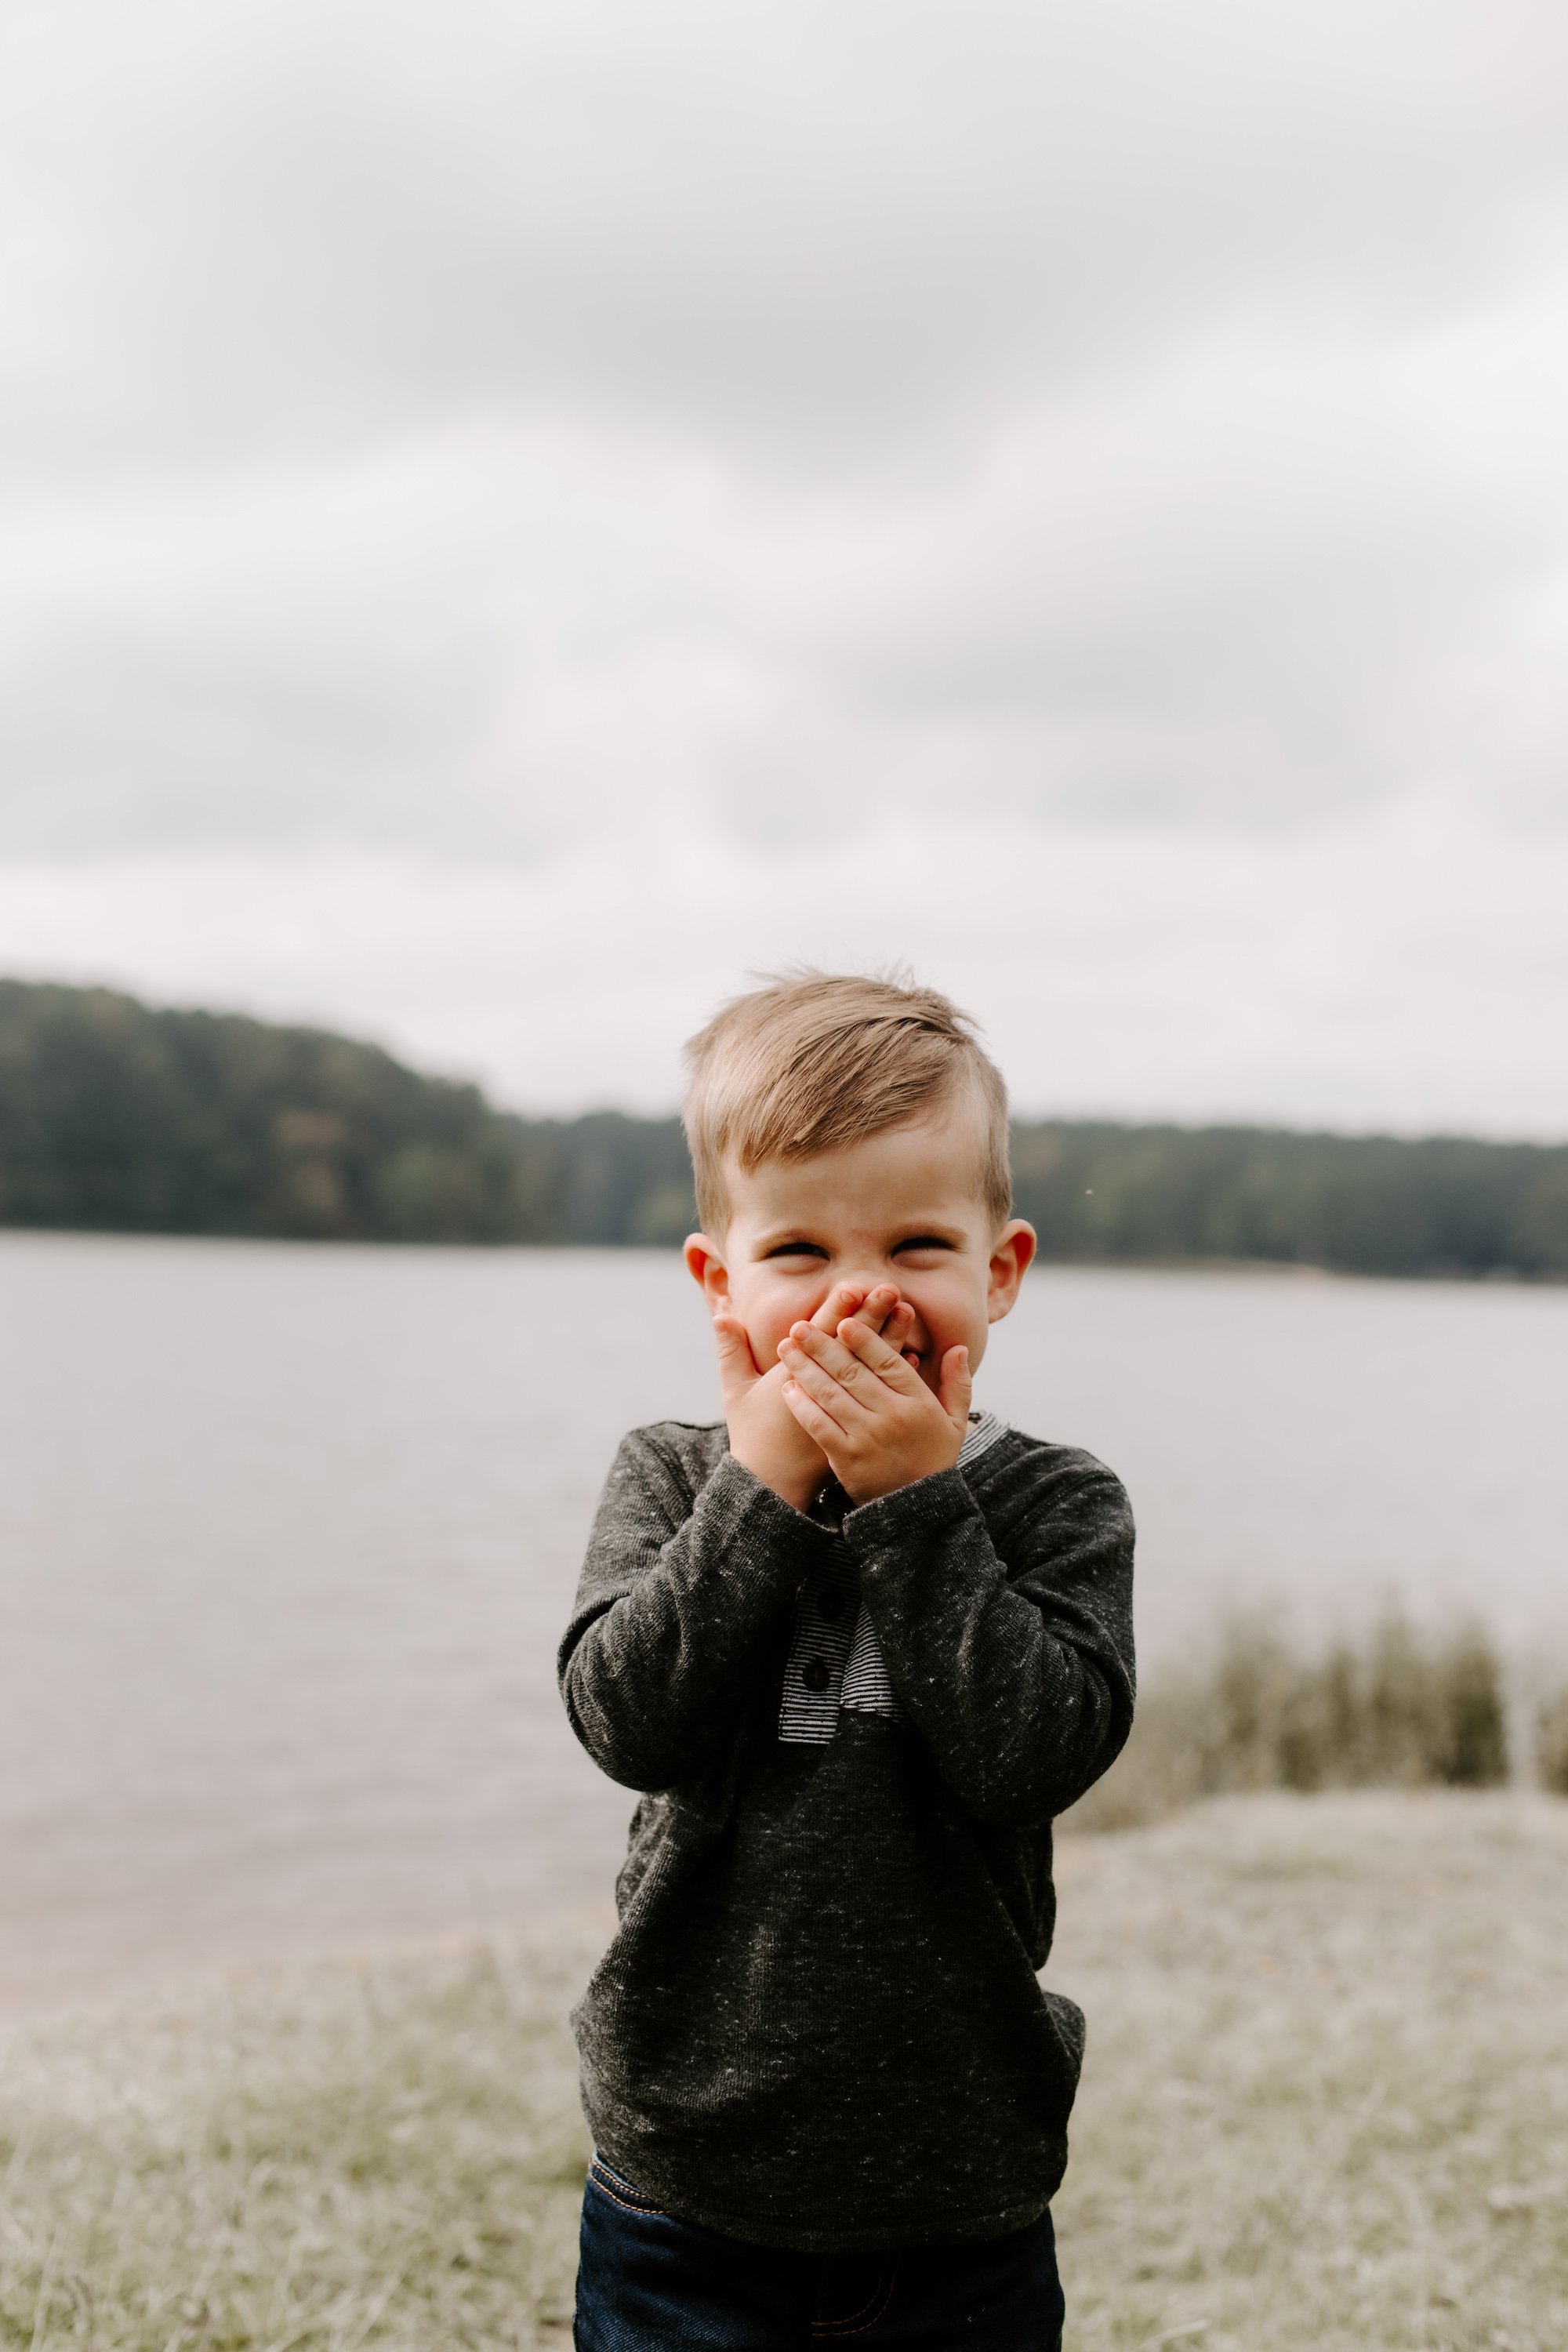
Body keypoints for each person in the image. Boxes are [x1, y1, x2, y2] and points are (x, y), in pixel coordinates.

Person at [558, 971, 1135, 2350]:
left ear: (1000, 1271)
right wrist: (759, 1482)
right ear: (722, 1282)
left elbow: (1035, 1754)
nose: (862, 1297)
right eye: (801, 1252)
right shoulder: (670, 1477)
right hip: (683, 2180)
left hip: (961, 2182)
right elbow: (628, 1720)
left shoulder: (1059, 1503)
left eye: (920, 1244)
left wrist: (919, 1504)